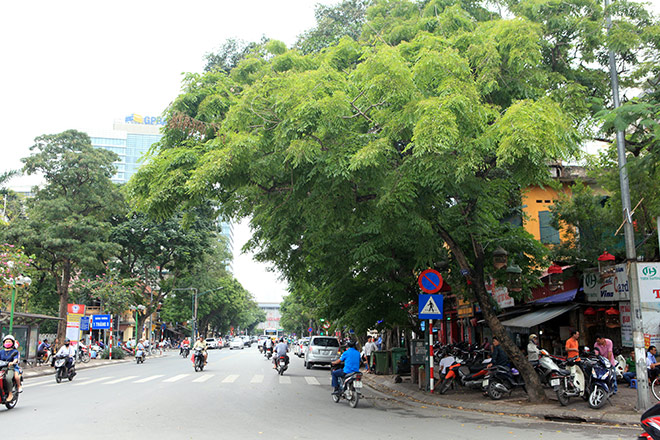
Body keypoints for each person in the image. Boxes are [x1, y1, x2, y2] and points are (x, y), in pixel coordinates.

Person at [0, 335, 19, 403]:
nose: (7, 343)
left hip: (9, 368)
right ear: (3, 343)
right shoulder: (1, 351)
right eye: (6, 341)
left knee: (8, 378)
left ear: (12, 343)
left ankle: (10, 393)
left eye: (9, 341)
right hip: (1, 368)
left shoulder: (14, 351)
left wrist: (13, 362)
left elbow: (16, 359)